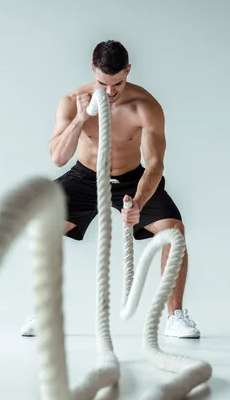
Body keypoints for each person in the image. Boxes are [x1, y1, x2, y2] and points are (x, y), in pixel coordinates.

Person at [21, 40, 200, 339]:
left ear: (128, 71)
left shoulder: (145, 106)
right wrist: (80, 118)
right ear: (92, 70)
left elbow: (155, 164)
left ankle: (176, 316)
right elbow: (58, 157)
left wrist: (140, 202)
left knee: (174, 231)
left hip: (132, 179)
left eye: (118, 83)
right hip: (85, 178)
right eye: (103, 83)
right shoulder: (72, 101)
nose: (111, 92)